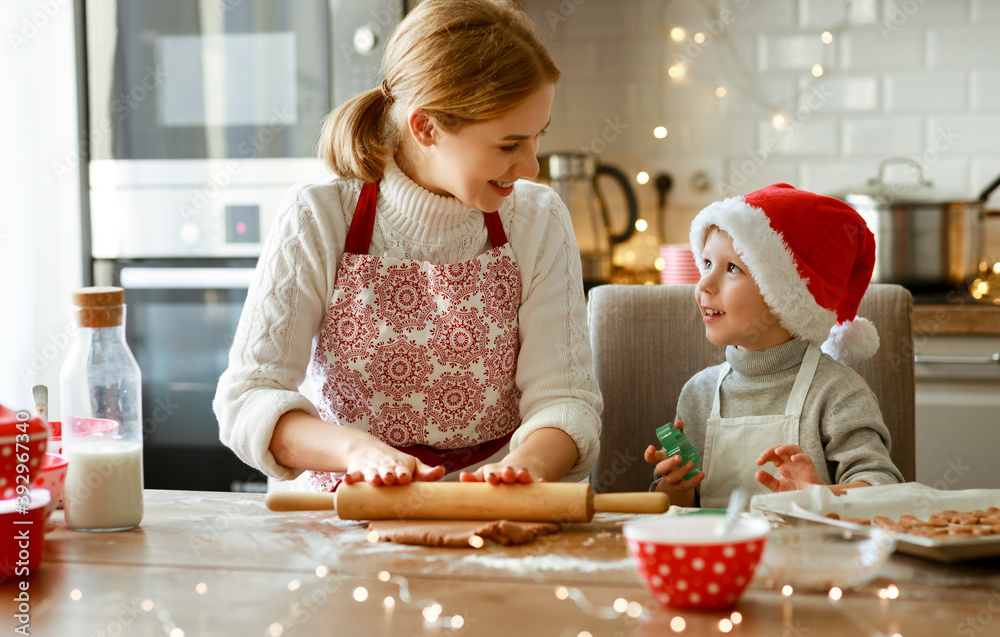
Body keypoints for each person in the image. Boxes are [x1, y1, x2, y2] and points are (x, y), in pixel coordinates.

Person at [213, 0, 602, 492]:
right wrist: (356, 451)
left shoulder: (537, 219)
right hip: (343, 510)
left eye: (535, 138)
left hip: (493, 508)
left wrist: (519, 471)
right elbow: (249, 397)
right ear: (426, 127)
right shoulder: (320, 216)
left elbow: (564, 400)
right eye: (508, 145)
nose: (531, 166)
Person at [645, 183, 903, 508]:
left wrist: (818, 496)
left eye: (733, 268)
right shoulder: (698, 393)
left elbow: (884, 488)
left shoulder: (838, 392)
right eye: (707, 263)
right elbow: (674, 511)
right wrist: (677, 485)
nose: (704, 284)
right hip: (720, 557)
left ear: (783, 298)